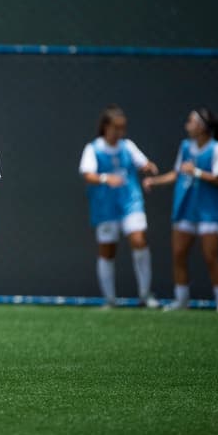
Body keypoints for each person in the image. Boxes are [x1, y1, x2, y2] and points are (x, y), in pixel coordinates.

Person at [142, 108, 218, 312]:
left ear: (203, 126)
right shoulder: (185, 147)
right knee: (179, 254)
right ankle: (181, 300)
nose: (187, 125)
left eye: (191, 121)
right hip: (185, 209)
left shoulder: (217, 149)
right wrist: (154, 181)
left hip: (209, 211)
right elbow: (177, 173)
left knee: (210, 256)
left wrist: (196, 171)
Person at [78, 105, 160, 309]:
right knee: (107, 250)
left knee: (139, 240)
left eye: (123, 128)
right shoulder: (93, 148)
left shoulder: (128, 146)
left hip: (130, 203)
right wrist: (106, 178)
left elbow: (144, 163)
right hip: (105, 207)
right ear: (105, 127)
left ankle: (145, 295)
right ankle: (110, 299)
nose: (120, 133)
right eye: (116, 128)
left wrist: (149, 167)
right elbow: (87, 174)